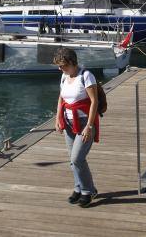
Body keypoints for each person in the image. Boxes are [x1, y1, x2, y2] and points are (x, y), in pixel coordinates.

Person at [54, 47, 99, 207]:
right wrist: (58, 118)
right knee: (73, 161)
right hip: (68, 124)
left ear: (72, 63)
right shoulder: (64, 76)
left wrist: (89, 126)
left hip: (84, 123)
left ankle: (89, 191)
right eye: (59, 66)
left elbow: (94, 101)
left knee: (77, 158)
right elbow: (61, 99)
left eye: (63, 65)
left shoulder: (86, 76)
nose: (60, 69)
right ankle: (78, 188)